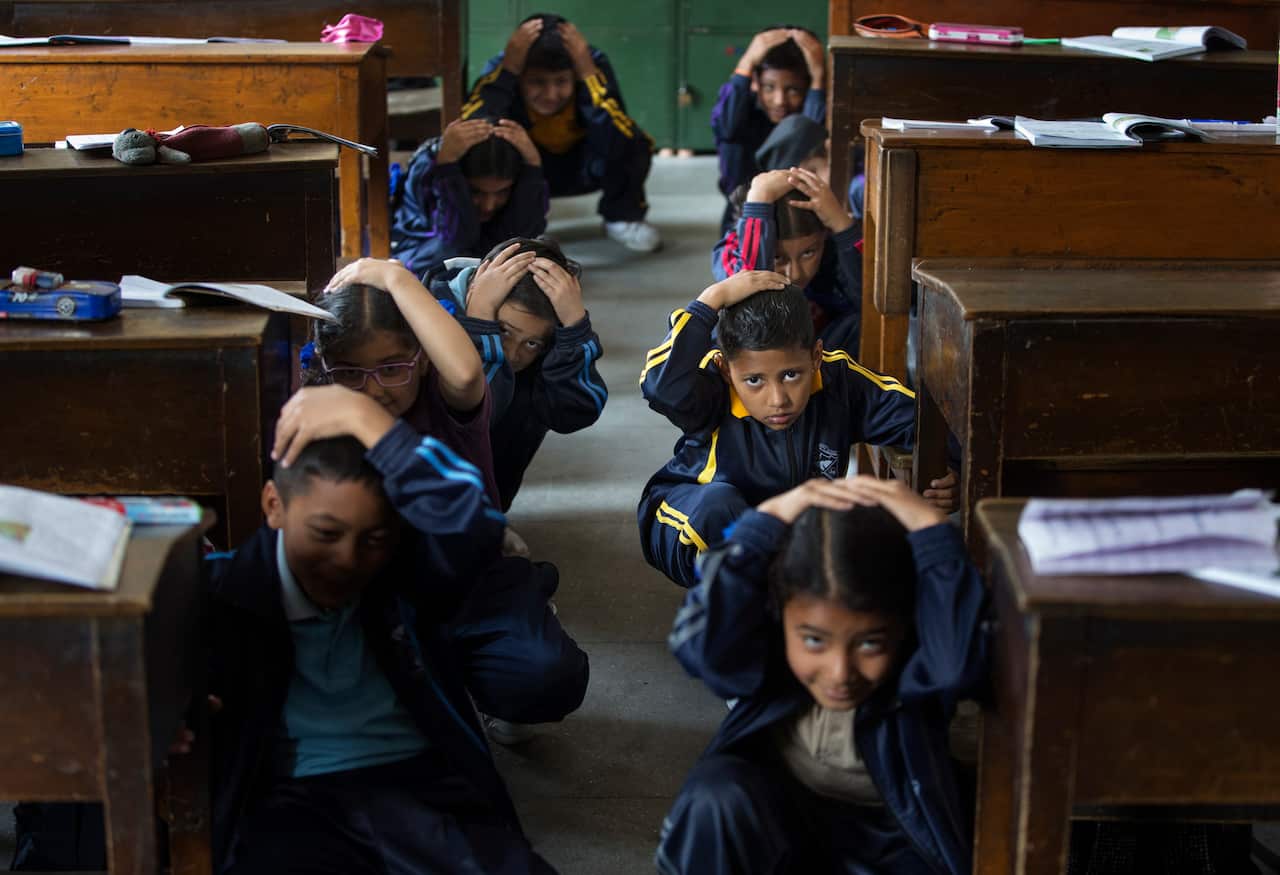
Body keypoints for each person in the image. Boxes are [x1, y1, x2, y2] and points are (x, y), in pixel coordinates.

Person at [14, 408, 557, 874]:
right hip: (286, 800)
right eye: (324, 534)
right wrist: (168, 711)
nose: (346, 560)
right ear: (273, 506)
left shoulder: (402, 580)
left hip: (422, 789)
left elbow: (478, 522)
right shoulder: (217, 593)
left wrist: (365, 418)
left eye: (371, 538)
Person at [307, 259, 589, 742]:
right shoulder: (324, 404)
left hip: (471, 585)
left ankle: (515, 621)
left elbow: (462, 370)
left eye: (391, 368)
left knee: (549, 676)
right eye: (352, 372)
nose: (373, 389)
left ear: (419, 358)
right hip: (381, 598)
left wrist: (395, 276)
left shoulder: (446, 398)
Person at [655, 475, 990, 874]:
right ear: (781, 621)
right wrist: (765, 521)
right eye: (814, 640)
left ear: (904, 628)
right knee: (715, 796)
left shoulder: (915, 674)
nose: (840, 672)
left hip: (893, 841)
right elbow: (698, 645)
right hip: (781, 826)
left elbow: (956, 666)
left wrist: (932, 531)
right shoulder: (768, 658)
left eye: (870, 644)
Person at [637, 273, 955, 588]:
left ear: (816, 356)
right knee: (721, 504)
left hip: (788, 539)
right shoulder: (712, 388)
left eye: (791, 375)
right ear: (726, 369)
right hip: (688, 522)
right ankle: (734, 606)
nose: (778, 400)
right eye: (754, 381)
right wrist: (710, 300)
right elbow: (661, 387)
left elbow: (926, 420)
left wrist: (955, 471)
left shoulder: (839, 383)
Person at [426, 238, 607, 512]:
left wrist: (574, 327)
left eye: (532, 343)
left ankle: (488, 516)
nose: (512, 355)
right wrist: (479, 322)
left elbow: (576, 413)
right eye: (503, 331)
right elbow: (476, 411)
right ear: (473, 291)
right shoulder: (428, 312)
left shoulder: (549, 339)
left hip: (490, 503)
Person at [462, 13, 661, 253]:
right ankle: (521, 224)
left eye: (561, 81)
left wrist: (588, 73)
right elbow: (471, 125)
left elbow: (619, 133)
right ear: (520, 76)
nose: (550, 94)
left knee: (634, 141)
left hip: (582, 167)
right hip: (530, 171)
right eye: (538, 82)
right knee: (487, 142)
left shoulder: (589, 65)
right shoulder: (505, 68)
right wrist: (508, 71)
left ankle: (622, 216)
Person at [713, 167, 862, 355]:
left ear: (824, 236)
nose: (795, 274)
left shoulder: (832, 249)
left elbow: (869, 301)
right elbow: (751, 310)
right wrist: (760, 200)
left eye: (808, 253)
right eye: (776, 257)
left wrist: (842, 225)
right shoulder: (732, 250)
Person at [391, 116, 550, 277]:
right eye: (475, 192)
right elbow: (458, 238)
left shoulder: (521, 176)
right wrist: (447, 170)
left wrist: (533, 168)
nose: (489, 205)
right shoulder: (429, 172)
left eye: (502, 192)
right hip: (419, 261)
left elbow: (520, 236)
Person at [712, 26, 826, 231]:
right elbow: (725, 128)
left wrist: (818, 76)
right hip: (741, 215)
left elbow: (808, 134)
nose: (779, 101)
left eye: (793, 90)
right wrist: (747, 63)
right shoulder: (745, 113)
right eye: (769, 87)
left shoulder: (813, 112)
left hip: (798, 215)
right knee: (732, 140)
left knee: (801, 131)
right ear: (756, 82)